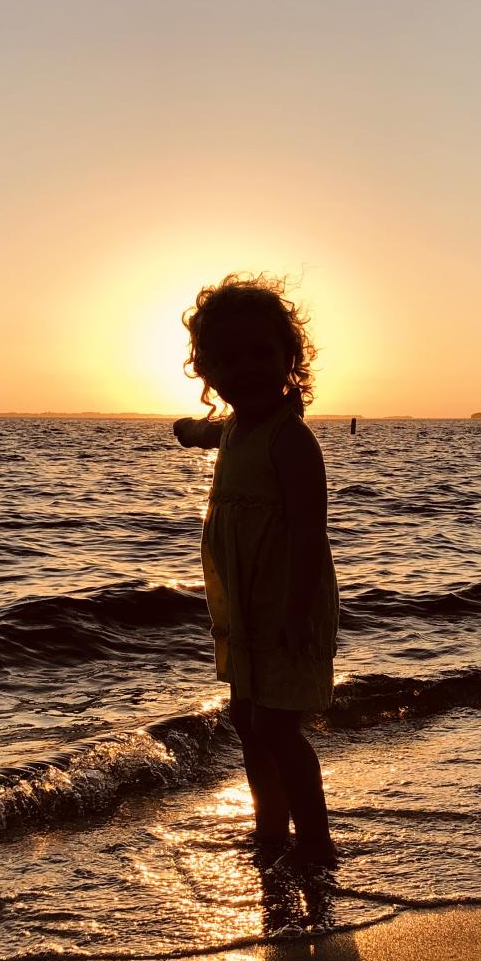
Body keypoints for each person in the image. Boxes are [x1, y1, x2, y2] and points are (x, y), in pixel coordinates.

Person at [173, 274, 339, 867]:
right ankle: (270, 828)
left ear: (288, 358)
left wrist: (296, 612)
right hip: (244, 605)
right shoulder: (238, 429)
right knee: (246, 718)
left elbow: (310, 534)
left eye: (259, 353)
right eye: (227, 358)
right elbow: (210, 433)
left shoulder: (290, 441)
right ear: (207, 370)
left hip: (287, 604)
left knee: (275, 727)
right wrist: (191, 430)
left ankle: (316, 844)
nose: (244, 369)